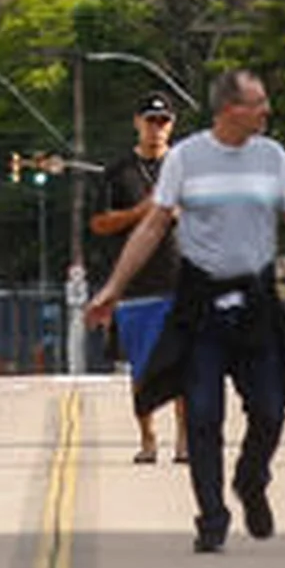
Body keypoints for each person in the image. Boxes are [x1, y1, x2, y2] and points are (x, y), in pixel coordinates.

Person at [83, 69, 285, 552]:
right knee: (202, 414)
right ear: (231, 110)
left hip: (255, 297)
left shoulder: (272, 157)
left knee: (271, 409)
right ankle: (211, 518)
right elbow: (152, 226)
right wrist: (113, 287)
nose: (266, 111)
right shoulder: (187, 159)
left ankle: (251, 479)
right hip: (200, 299)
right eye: (258, 103)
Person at [89, 96, 186, 464]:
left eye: (163, 121)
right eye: (150, 120)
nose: (157, 127)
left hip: (182, 278)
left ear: (171, 125)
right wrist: (139, 212)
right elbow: (99, 223)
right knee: (142, 368)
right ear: (137, 123)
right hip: (136, 285)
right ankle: (148, 438)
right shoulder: (118, 172)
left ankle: (184, 440)